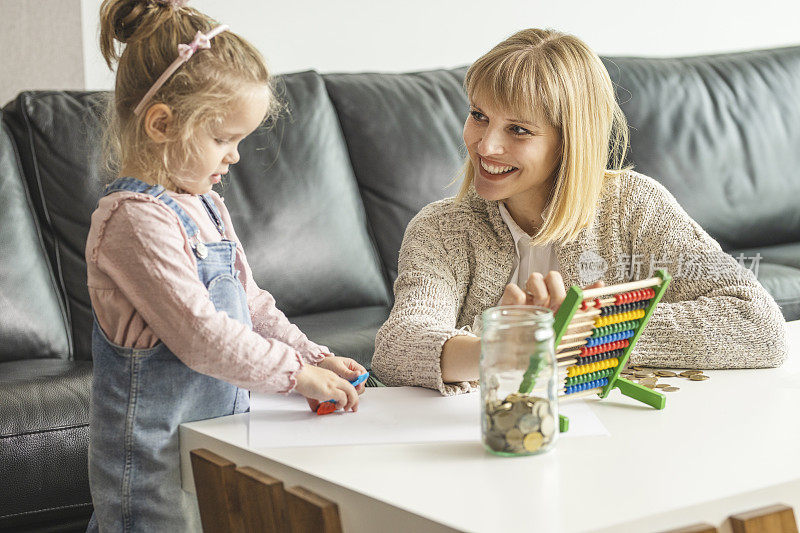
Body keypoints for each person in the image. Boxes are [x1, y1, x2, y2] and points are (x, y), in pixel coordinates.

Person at [371, 28, 788, 396]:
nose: (485, 145)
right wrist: (506, 347)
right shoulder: (441, 228)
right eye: (479, 116)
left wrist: (586, 331)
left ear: (572, 142)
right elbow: (398, 347)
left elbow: (758, 324)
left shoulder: (634, 206)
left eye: (518, 129)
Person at [86, 1, 365, 530]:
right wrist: (294, 376)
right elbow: (201, 336)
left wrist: (311, 353)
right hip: (152, 463)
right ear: (162, 123)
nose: (234, 156)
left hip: (213, 441)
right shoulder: (133, 222)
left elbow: (251, 301)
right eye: (222, 139)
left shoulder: (206, 204)